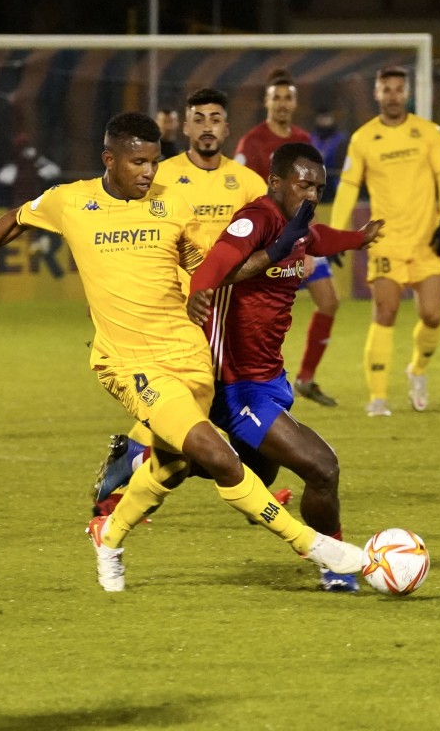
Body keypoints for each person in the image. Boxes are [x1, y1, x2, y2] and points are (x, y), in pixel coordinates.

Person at [0, 111, 363, 593]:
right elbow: (15, 220)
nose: (148, 172)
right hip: (130, 362)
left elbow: (219, 270)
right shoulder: (72, 202)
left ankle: (111, 529)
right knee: (221, 458)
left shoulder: (172, 205)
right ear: (110, 160)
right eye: (138, 162)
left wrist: (268, 255)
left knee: (176, 465)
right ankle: (318, 547)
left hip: (188, 353)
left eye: (154, 162)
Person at [102, 143, 384, 592]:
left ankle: (143, 457)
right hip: (236, 383)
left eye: (319, 187)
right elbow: (215, 263)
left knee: (255, 473)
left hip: (269, 378)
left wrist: (357, 238)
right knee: (321, 468)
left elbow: (317, 238)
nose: (312, 195)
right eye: (303, 184)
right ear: (276, 183)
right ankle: (334, 564)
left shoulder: (297, 226)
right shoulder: (256, 220)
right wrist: (202, 289)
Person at [90, 87, 277, 518]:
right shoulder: (161, 175)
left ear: (227, 128)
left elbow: (266, 234)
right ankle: (144, 466)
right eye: (199, 118)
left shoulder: (247, 183)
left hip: (228, 308)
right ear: (186, 126)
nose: (207, 126)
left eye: (216, 118)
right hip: (173, 305)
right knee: (191, 398)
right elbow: (121, 223)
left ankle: (137, 457)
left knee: (198, 401)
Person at [330, 65, 440, 417]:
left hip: (425, 241)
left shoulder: (428, 132)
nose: (392, 95)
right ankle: (378, 397)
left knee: (432, 315)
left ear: (407, 93)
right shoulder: (364, 138)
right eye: (386, 89)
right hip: (386, 241)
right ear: (376, 93)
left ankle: (417, 371)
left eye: (398, 89)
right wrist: (340, 233)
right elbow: (348, 188)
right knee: (385, 312)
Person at [235, 69, 342, 407]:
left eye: (288, 97)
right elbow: (243, 196)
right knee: (263, 318)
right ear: (266, 102)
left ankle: (306, 378)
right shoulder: (251, 143)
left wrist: (312, 241)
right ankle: (252, 380)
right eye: (276, 97)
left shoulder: (304, 140)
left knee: (329, 301)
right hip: (270, 240)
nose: (282, 103)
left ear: (295, 103)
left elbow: (313, 193)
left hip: (301, 235)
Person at [310, 107, 349, 202]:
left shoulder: (341, 139)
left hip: (335, 179)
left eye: (327, 118)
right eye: (321, 118)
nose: (324, 121)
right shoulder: (311, 139)